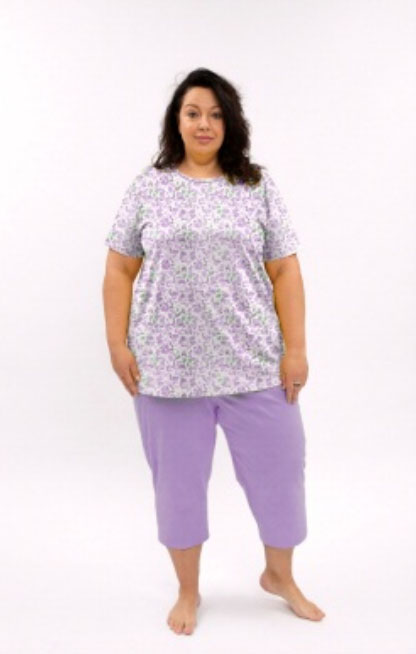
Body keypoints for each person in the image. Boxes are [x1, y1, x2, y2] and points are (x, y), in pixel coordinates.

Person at [102, 67, 326, 636]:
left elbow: (286, 270)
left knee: (281, 475)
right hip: (167, 371)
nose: (204, 123)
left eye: (216, 114)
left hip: (255, 363)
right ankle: (188, 590)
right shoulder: (149, 187)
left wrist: (296, 349)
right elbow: (120, 268)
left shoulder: (256, 186)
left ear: (230, 123)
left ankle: (279, 576)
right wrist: (116, 343)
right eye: (193, 112)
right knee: (178, 488)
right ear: (176, 121)